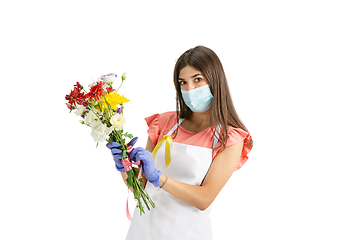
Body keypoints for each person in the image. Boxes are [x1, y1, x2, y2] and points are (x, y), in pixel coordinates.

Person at [107, 46, 253, 240]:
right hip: (143, 230)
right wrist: (124, 166)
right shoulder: (165, 123)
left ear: (215, 79)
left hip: (187, 234)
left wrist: (159, 178)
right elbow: (140, 189)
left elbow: (204, 198)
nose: (189, 89)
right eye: (182, 82)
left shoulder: (229, 138)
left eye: (197, 79)